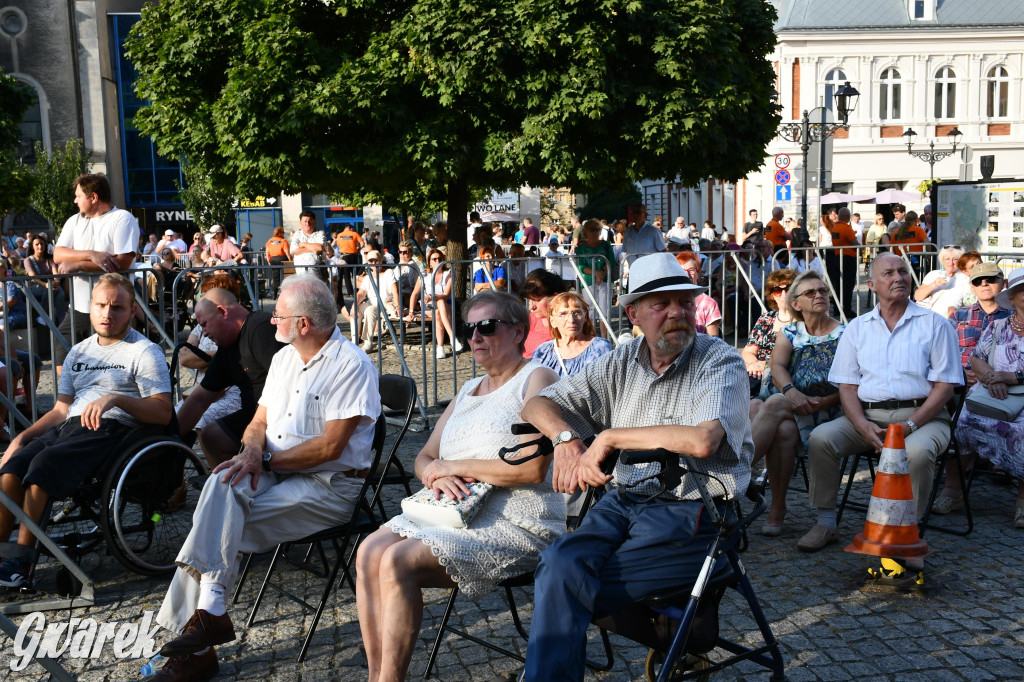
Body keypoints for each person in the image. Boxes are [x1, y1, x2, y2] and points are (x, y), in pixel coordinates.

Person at [519, 253, 753, 680]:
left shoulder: (719, 359)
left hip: (695, 509)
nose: (677, 313)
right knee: (557, 563)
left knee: (567, 588)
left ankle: (688, 635)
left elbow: (701, 440)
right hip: (623, 501)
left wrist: (609, 437)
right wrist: (567, 440)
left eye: (684, 302)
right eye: (661, 304)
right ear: (633, 313)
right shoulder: (621, 360)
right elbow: (536, 402)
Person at [152, 276, 380, 681]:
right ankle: (212, 614)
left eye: (279, 314)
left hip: (328, 486)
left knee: (211, 529)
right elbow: (259, 419)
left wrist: (267, 461)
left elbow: (330, 449)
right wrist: (253, 450)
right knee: (220, 485)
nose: (270, 319)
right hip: (276, 471)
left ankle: (197, 649)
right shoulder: (285, 358)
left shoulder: (352, 366)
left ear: (304, 324)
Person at [355, 291, 563, 682]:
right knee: (368, 551)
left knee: (398, 562)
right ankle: (375, 675)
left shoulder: (537, 378)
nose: (475, 337)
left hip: (516, 519)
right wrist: (438, 473)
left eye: (487, 326)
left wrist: (454, 466)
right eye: (470, 329)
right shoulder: (467, 389)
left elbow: (532, 469)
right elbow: (424, 457)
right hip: (453, 510)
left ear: (519, 331)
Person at [0, 274, 172, 587]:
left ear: (133, 310)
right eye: (101, 305)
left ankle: (20, 562)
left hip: (111, 431)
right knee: (11, 468)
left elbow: (163, 411)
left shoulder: (145, 352)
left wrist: (116, 398)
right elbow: (60, 410)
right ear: (89, 308)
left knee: (42, 467)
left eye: (117, 307)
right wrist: (22, 438)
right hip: (69, 426)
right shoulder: (79, 352)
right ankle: (1, 552)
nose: (108, 313)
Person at [799, 254, 962, 554]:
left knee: (915, 452)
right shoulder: (858, 328)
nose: (898, 278)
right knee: (821, 438)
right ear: (872, 284)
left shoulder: (935, 325)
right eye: (888, 273)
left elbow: (945, 388)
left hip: (924, 416)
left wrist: (910, 425)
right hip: (869, 415)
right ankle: (825, 522)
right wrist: (861, 425)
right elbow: (847, 386)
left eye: (902, 272)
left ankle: (905, 534)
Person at [749, 271, 845, 535]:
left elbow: (853, 383)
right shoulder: (790, 331)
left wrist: (823, 400)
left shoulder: (845, 334)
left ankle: (732, 472)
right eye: (810, 292)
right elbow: (777, 365)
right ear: (796, 303)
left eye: (823, 291)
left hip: (827, 410)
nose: (819, 296)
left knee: (773, 405)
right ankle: (777, 508)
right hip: (791, 404)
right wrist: (792, 392)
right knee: (784, 428)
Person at [176, 286, 285, 466]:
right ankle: (234, 485)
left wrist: (257, 429)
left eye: (204, 324)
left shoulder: (261, 329)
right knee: (212, 435)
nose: (203, 332)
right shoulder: (227, 349)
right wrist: (169, 437)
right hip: (253, 418)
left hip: (281, 420)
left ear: (222, 312)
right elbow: (200, 399)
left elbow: (288, 386)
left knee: (215, 433)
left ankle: (251, 482)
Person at [949, 269, 1024, 528]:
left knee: (1022, 432)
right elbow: (976, 358)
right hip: (992, 392)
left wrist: (1010, 377)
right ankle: (953, 493)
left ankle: (1022, 504)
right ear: (1012, 298)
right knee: (961, 424)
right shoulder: (998, 325)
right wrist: (992, 378)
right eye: (1022, 290)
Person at [53, 174, 138, 371]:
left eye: (78, 196)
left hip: (111, 306)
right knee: (62, 356)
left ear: (94, 197)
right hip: (80, 306)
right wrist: (92, 255)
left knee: (111, 364)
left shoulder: (122, 218)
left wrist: (79, 265)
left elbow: (123, 261)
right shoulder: (74, 221)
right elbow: (58, 254)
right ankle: (70, 400)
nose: (75, 200)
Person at [531, 292, 613, 378]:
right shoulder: (543, 351)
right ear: (552, 321)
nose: (571, 320)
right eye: (563, 314)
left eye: (577, 313)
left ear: (585, 317)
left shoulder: (600, 348)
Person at [742, 269, 797, 396]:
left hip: (786, 378)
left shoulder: (803, 321)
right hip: (757, 376)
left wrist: (765, 366)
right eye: (777, 290)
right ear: (772, 295)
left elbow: (797, 359)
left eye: (788, 289)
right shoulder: (766, 319)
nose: (783, 294)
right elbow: (749, 350)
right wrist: (753, 365)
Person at [406, 248, 463, 359]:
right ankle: (452, 338)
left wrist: (433, 297)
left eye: (440, 259)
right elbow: (414, 294)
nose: (437, 261)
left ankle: (440, 347)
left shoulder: (449, 274)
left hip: (447, 304)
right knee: (437, 311)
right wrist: (411, 311)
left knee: (440, 305)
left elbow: (446, 295)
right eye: (434, 259)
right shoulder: (424, 275)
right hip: (428, 305)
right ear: (429, 262)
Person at [573, 219, 617, 335]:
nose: (595, 232)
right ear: (586, 231)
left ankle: (604, 338)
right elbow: (581, 266)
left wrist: (601, 273)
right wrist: (596, 273)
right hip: (588, 281)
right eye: (592, 230)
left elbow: (610, 261)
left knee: (604, 311)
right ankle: (591, 337)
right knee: (590, 311)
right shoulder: (581, 248)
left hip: (605, 280)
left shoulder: (605, 245)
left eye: (597, 229)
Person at [821, 207, 860, 320]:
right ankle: (846, 309)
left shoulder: (835, 228)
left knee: (838, 285)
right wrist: (861, 249)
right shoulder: (846, 228)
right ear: (848, 217)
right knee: (848, 285)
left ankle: (838, 308)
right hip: (848, 258)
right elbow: (854, 243)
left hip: (837, 257)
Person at [520, 268, 566, 357]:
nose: (531, 307)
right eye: (529, 300)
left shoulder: (567, 324)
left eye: (537, 300)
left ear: (555, 297)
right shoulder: (531, 317)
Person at [675, 251, 722, 337]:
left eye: (691, 270)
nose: (687, 275)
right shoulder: (666, 300)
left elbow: (713, 340)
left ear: (698, 274)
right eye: (681, 270)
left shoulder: (708, 303)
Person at [915, 245, 967, 317]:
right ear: (942, 260)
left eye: (955, 259)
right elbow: (918, 297)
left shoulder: (964, 278)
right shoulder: (933, 274)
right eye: (947, 259)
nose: (951, 262)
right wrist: (934, 284)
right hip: (926, 318)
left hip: (949, 320)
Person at [290, 211, 329, 281]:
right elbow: (293, 251)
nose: (307, 223)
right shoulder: (297, 234)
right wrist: (313, 248)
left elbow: (320, 248)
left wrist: (303, 244)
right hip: (301, 277)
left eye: (309, 221)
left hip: (317, 277)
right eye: (305, 221)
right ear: (300, 223)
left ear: (314, 221)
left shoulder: (320, 233)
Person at [264, 226, 291, 299]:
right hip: (282, 259)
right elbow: (286, 252)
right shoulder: (283, 241)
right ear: (281, 233)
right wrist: (290, 260)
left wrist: (268, 261)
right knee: (285, 276)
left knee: (275, 277)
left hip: (273, 260)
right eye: (283, 233)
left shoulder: (270, 241)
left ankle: (274, 294)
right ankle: (285, 293)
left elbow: (267, 252)